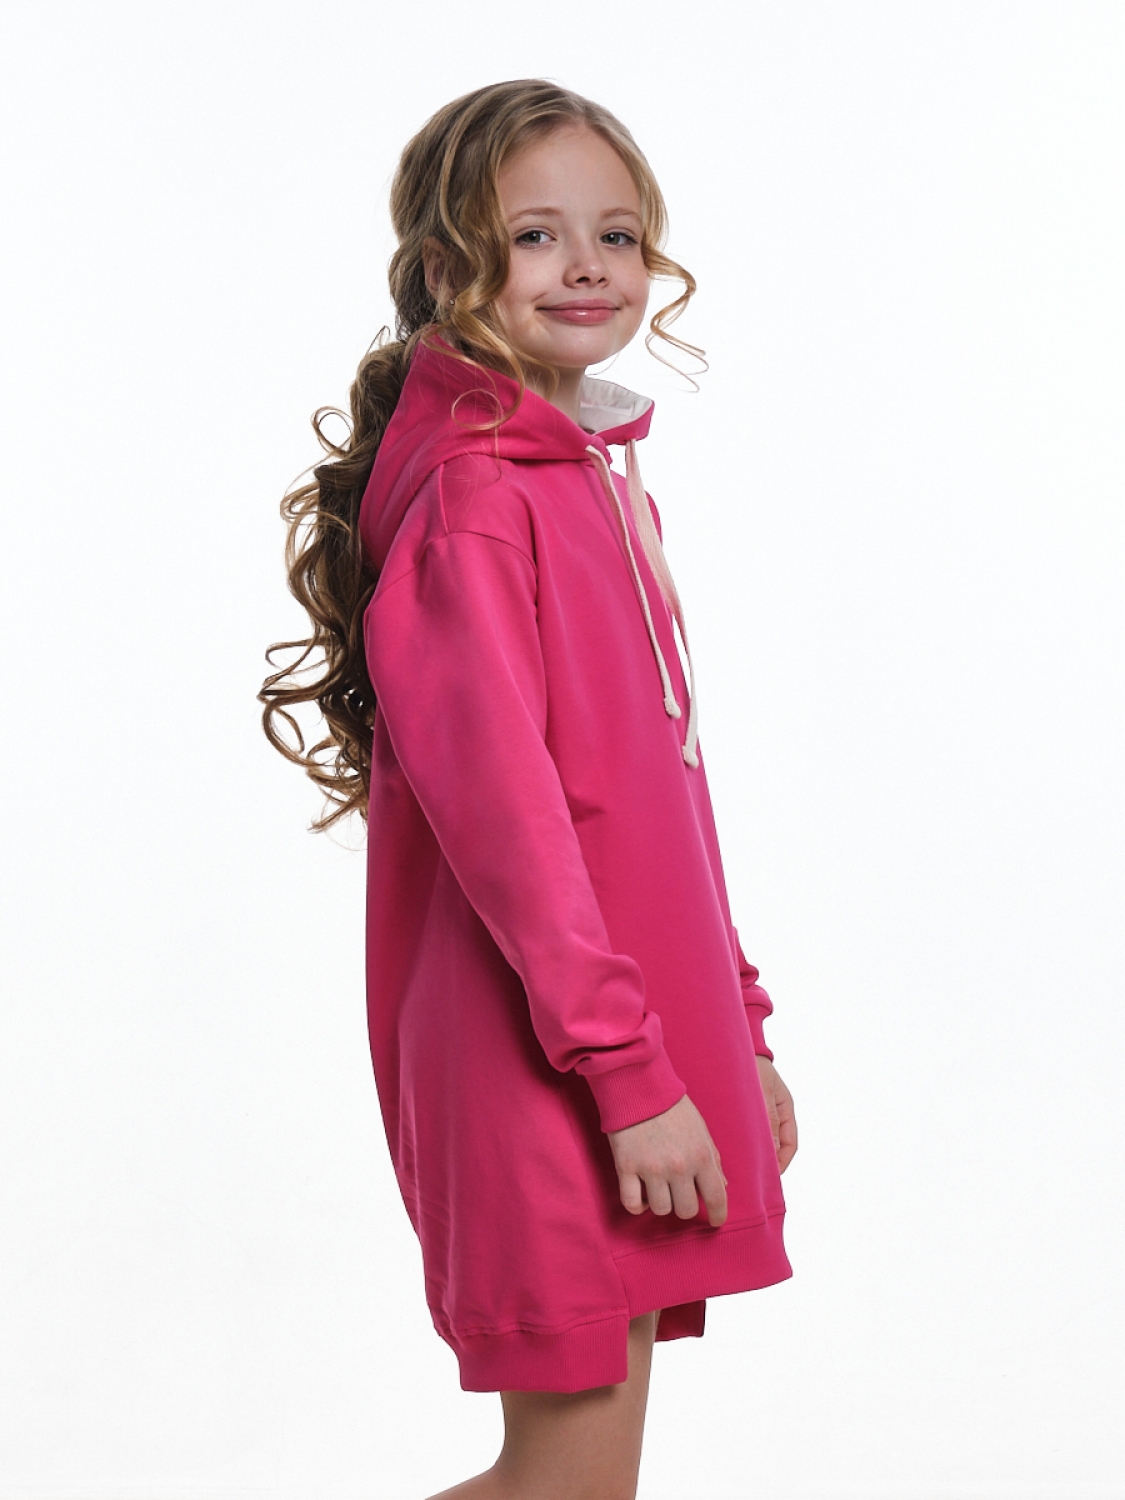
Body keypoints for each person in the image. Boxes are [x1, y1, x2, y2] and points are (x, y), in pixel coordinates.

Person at [260, 78, 798, 1500]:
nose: (586, 268)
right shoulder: (478, 503)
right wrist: (628, 1075)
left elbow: (663, 805)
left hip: (622, 1039)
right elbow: (513, 834)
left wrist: (734, 1023)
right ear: (449, 265)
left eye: (616, 236)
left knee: (580, 1482)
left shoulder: (596, 481)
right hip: (541, 1059)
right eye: (534, 236)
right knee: (564, 1485)